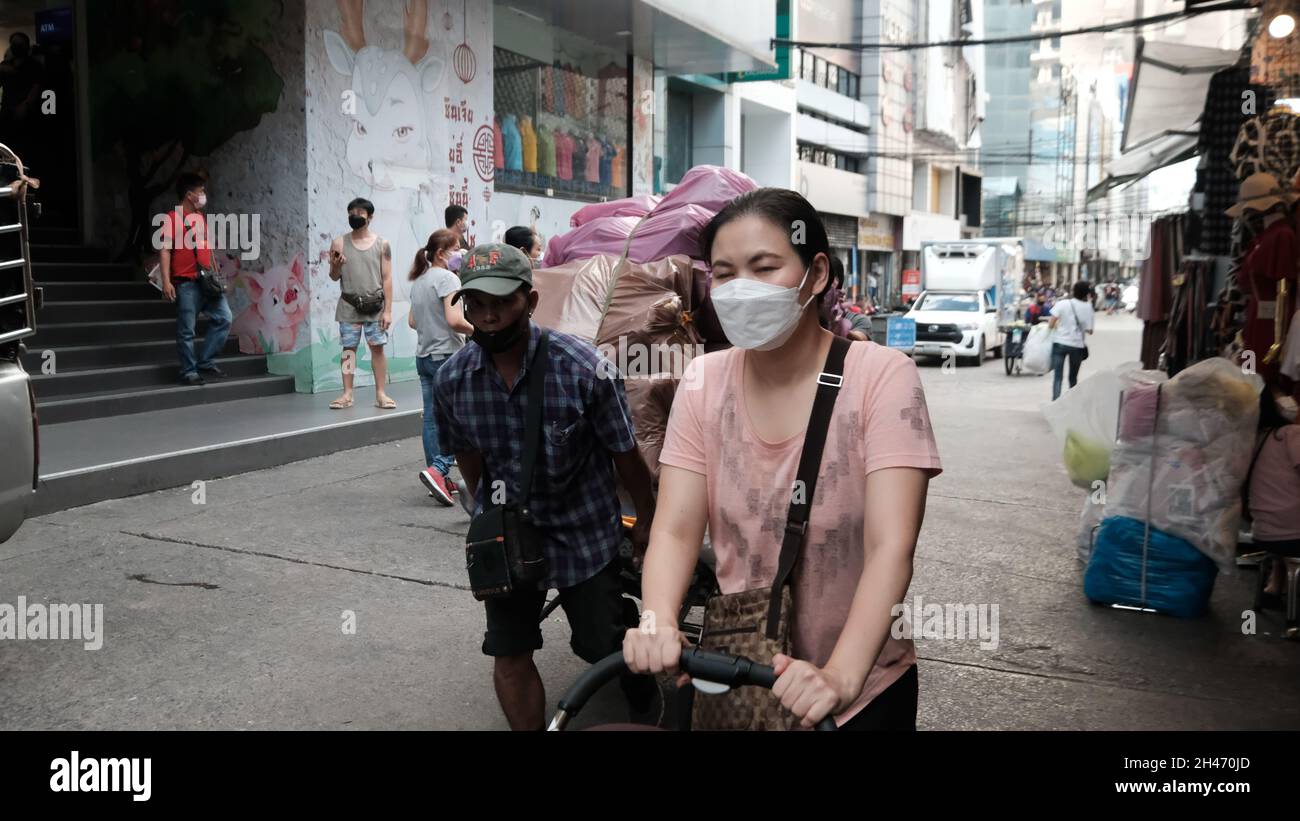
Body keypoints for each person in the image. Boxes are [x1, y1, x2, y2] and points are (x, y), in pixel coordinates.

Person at [622, 188, 942, 730]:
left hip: (863, 689)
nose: (741, 288)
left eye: (764, 267)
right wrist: (656, 620)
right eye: (724, 273)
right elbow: (675, 531)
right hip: (741, 674)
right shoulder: (703, 381)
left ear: (815, 274)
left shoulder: (882, 378)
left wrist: (840, 676)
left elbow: (891, 546)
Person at [434, 243, 660, 730]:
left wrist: (646, 518)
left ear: (530, 303)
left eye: (502, 303)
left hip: (584, 532)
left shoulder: (582, 367)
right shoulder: (453, 380)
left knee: (599, 645)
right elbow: (469, 460)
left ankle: (638, 680)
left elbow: (625, 453)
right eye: (477, 305)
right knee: (509, 651)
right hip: (508, 537)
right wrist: (492, 516)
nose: (489, 317)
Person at [409, 229, 474, 504]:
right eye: (456, 248)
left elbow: (413, 321)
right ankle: (439, 469)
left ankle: (436, 477)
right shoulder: (448, 278)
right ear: (440, 253)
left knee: (432, 419)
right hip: (447, 355)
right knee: (462, 417)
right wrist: (479, 330)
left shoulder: (420, 280)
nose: (459, 253)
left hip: (423, 356)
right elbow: (454, 319)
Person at [159, 172, 232, 386]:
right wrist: (166, 282)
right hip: (186, 283)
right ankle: (189, 371)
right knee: (186, 330)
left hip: (207, 281)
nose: (204, 195)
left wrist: (216, 272)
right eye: (201, 192)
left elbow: (206, 249)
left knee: (224, 318)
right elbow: (165, 251)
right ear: (190, 195)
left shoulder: (200, 218)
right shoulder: (172, 218)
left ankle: (205, 362)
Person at [328, 197, 395, 410]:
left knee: (378, 349)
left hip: (375, 307)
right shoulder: (339, 243)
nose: (355, 216)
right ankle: (347, 394)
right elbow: (333, 276)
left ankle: (381, 394)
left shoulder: (382, 244)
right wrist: (337, 266)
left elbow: (387, 278)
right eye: (351, 212)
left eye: (360, 212)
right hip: (349, 306)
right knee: (349, 350)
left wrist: (388, 311)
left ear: (370, 216)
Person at [1247, 390, 1300, 609]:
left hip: (1263, 532)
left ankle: (1276, 585)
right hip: (1291, 533)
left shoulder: (1257, 439)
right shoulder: (1291, 434)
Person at [1048, 280, 1095, 401]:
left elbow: (1051, 323)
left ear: (1073, 291)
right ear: (1087, 293)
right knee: (1073, 378)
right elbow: (1090, 330)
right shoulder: (1088, 307)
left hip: (1060, 343)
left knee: (1058, 377)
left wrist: (1059, 327)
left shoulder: (1063, 303)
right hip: (1077, 346)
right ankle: (1072, 405)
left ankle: (1055, 404)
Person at [0, 33, 43, 163]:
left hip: (26, 116)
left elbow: (37, 86)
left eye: (19, 44)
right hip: (7, 116)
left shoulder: (33, 65)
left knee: (25, 153)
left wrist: (26, 105)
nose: (16, 46)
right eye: (14, 43)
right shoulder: (6, 65)